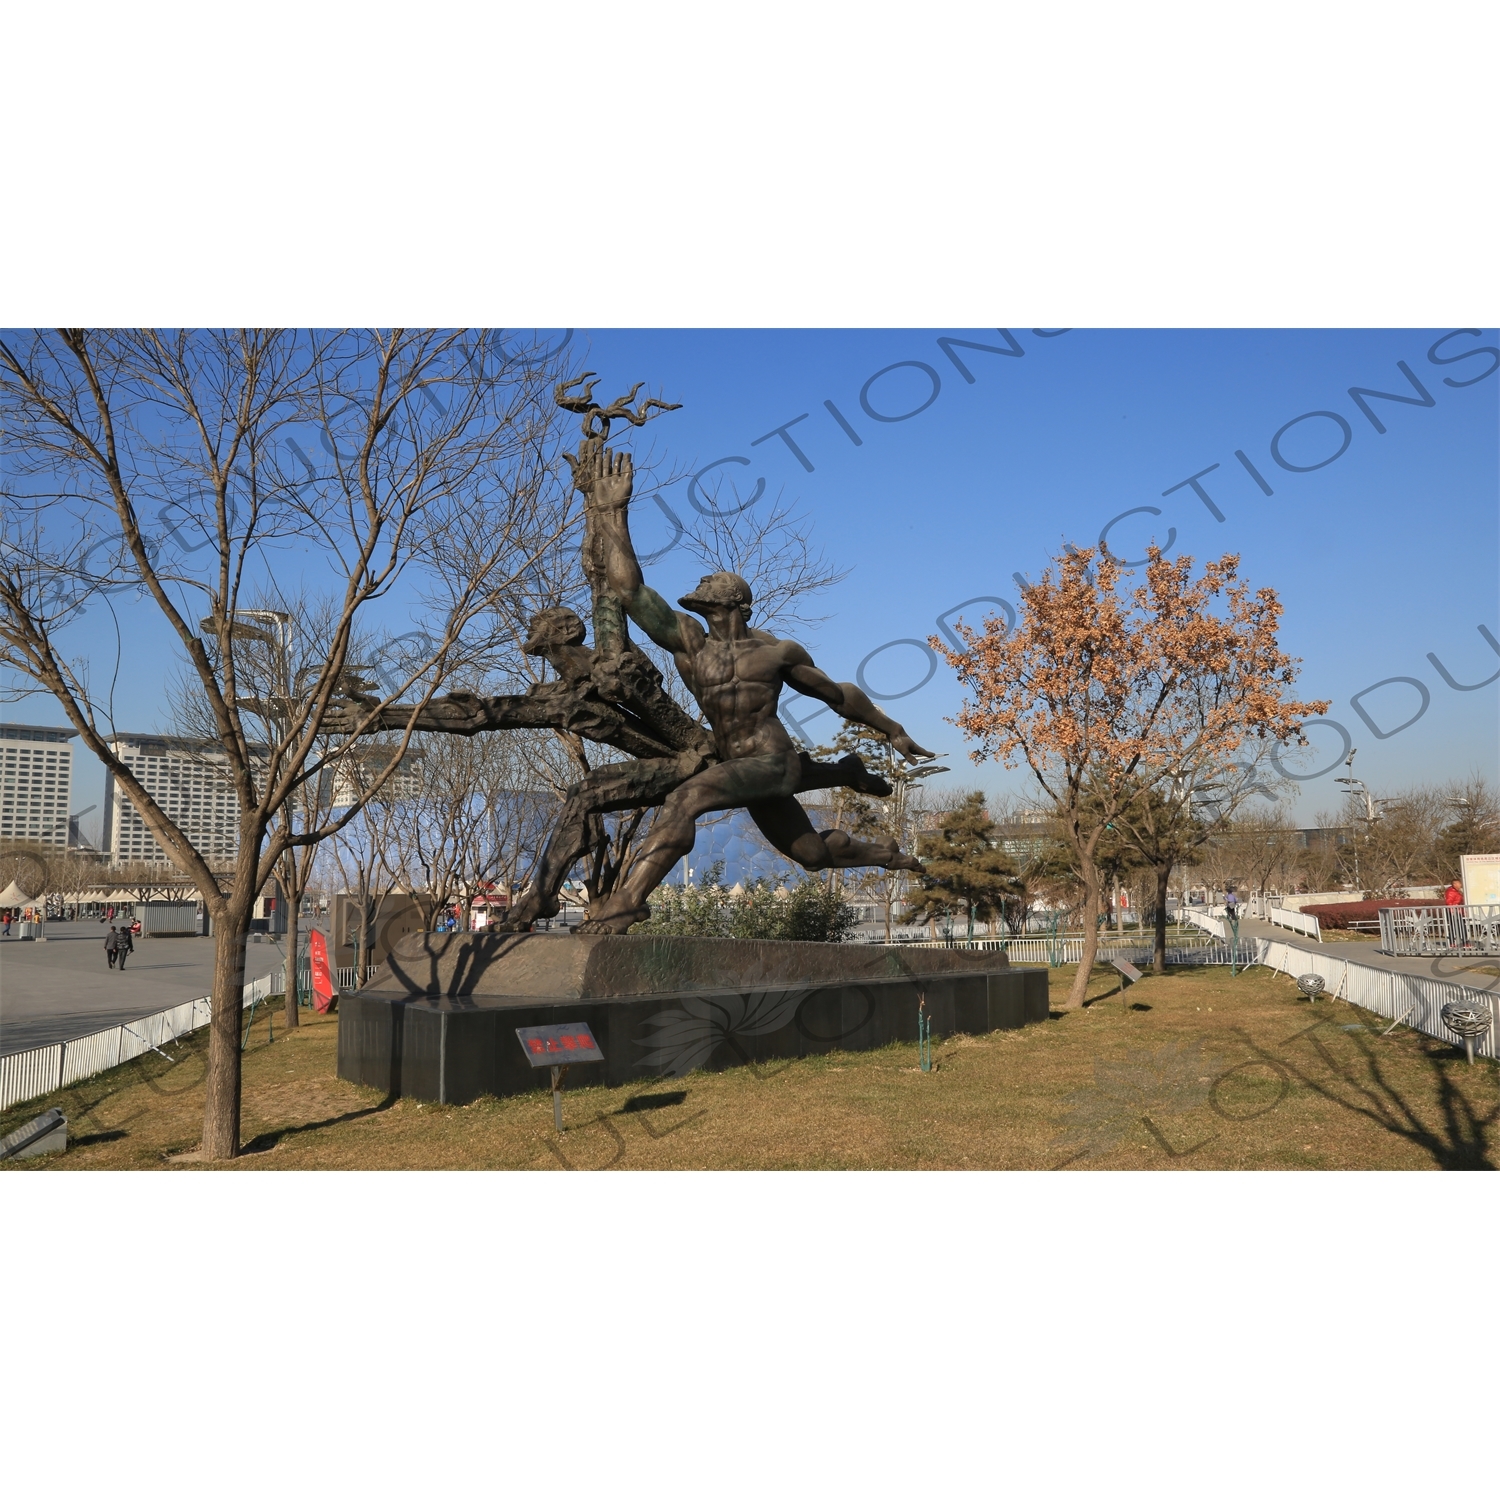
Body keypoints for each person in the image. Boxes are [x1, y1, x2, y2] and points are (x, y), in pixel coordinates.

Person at [577, 446, 935, 932]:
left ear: (738, 600)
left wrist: (891, 728)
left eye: (713, 580)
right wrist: (612, 513)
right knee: (809, 854)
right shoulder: (691, 645)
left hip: (771, 761)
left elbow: (837, 694)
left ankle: (627, 903)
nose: (703, 580)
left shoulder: (776, 653)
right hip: (738, 766)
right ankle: (882, 849)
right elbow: (631, 592)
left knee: (685, 800)